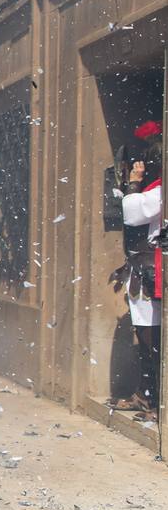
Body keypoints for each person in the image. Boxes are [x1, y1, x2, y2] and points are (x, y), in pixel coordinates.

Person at [115, 121, 162, 414]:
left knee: (150, 339)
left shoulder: (160, 191)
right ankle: (146, 394)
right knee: (145, 336)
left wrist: (133, 183)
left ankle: (151, 397)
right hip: (144, 269)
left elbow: (134, 213)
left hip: (152, 271)